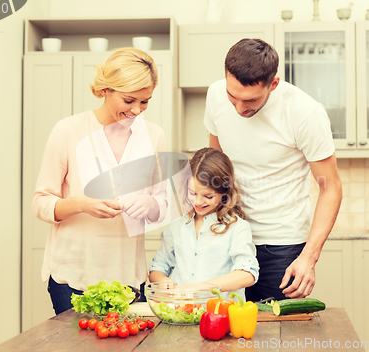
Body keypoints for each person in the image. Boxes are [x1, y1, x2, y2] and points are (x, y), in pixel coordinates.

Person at [203, 38, 342, 301]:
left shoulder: (305, 113)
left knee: (276, 337)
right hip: (229, 234)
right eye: (233, 97)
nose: (240, 108)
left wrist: (308, 258)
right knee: (224, 334)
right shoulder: (215, 94)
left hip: (281, 245)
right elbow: (216, 165)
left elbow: (330, 186)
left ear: (274, 84)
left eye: (251, 100)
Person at [32, 47, 167, 315]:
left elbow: (161, 203)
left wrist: (149, 204)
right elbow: (40, 203)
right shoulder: (68, 130)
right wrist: (82, 204)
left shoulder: (153, 135)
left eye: (145, 101)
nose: (137, 110)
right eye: (129, 100)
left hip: (128, 276)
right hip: (72, 275)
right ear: (105, 90)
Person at [148, 147, 259, 299]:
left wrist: (199, 288)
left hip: (220, 313)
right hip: (181, 311)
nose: (198, 202)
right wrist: (163, 280)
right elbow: (157, 268)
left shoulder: (237, 227)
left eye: (208, 196)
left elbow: (247, 274)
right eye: (192, 193)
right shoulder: (176, 227)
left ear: (224, 192)